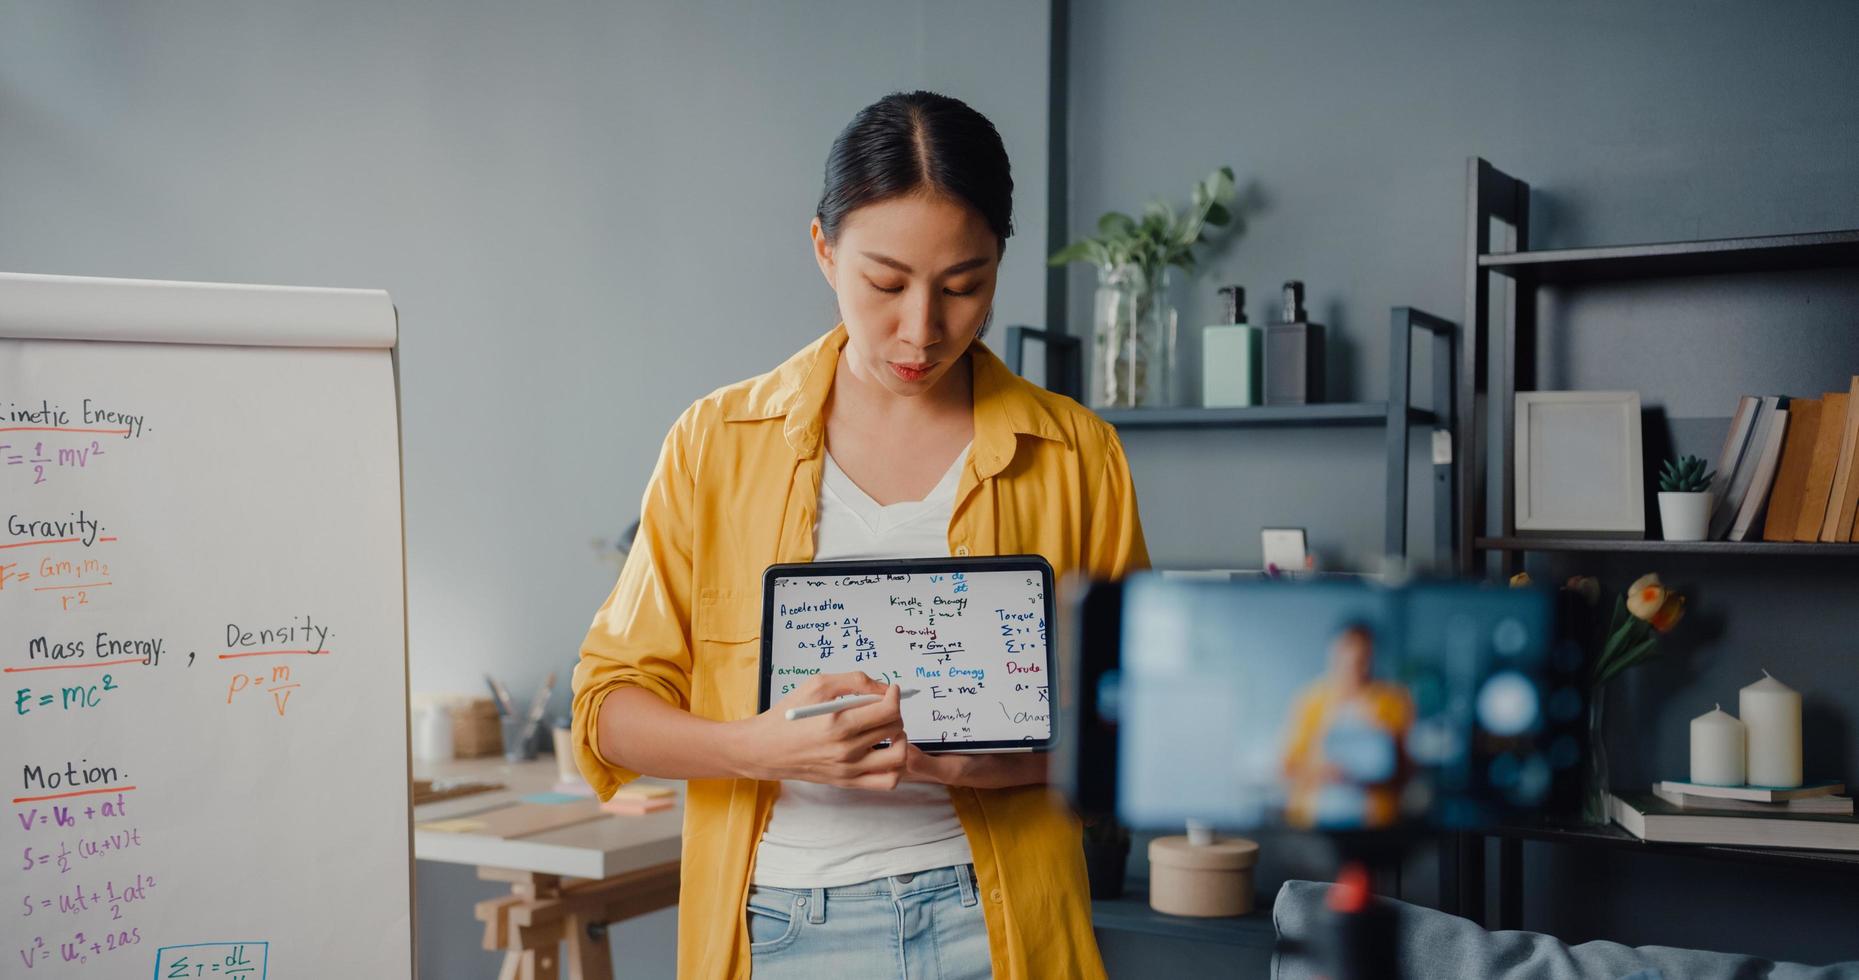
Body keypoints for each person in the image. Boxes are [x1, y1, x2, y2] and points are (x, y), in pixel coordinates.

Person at [570, 91, 1148, 979]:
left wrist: (979, 769)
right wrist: (751, 747)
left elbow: (1138, 727)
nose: (922, 329)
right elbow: (607, 709)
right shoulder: (714, 442)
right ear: (823, 250)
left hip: (998, 929)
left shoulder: (1076, 454)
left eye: (965, 285)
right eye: (884, 283)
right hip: (783, 927)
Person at [1280, 622, 1415, 830]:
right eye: (1345, 657)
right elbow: (1287, 766)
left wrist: (1377, 765)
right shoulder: (1309, 701)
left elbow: (1407, 769)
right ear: (1333, 655)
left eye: (1361, 659)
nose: (1352, 666)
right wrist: (1323, 772)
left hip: (1375, 822)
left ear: (1371, 657)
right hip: (1316, 820)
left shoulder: (1395, 701)